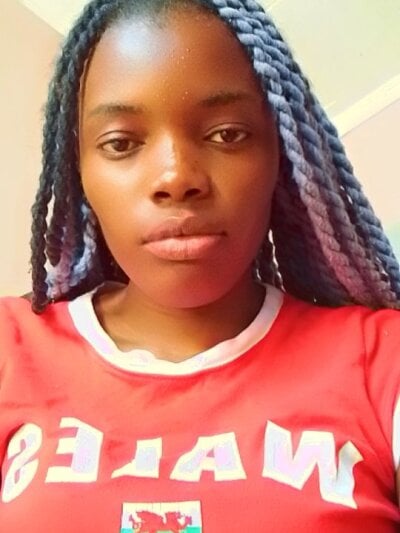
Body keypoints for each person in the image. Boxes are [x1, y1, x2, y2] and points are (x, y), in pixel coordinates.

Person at [1, 0, 400, 531]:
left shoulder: (381, 360)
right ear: (80, 173)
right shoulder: (10, 347)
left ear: (281, 156)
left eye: (227, 134)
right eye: (121, 143)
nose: (176, 177)